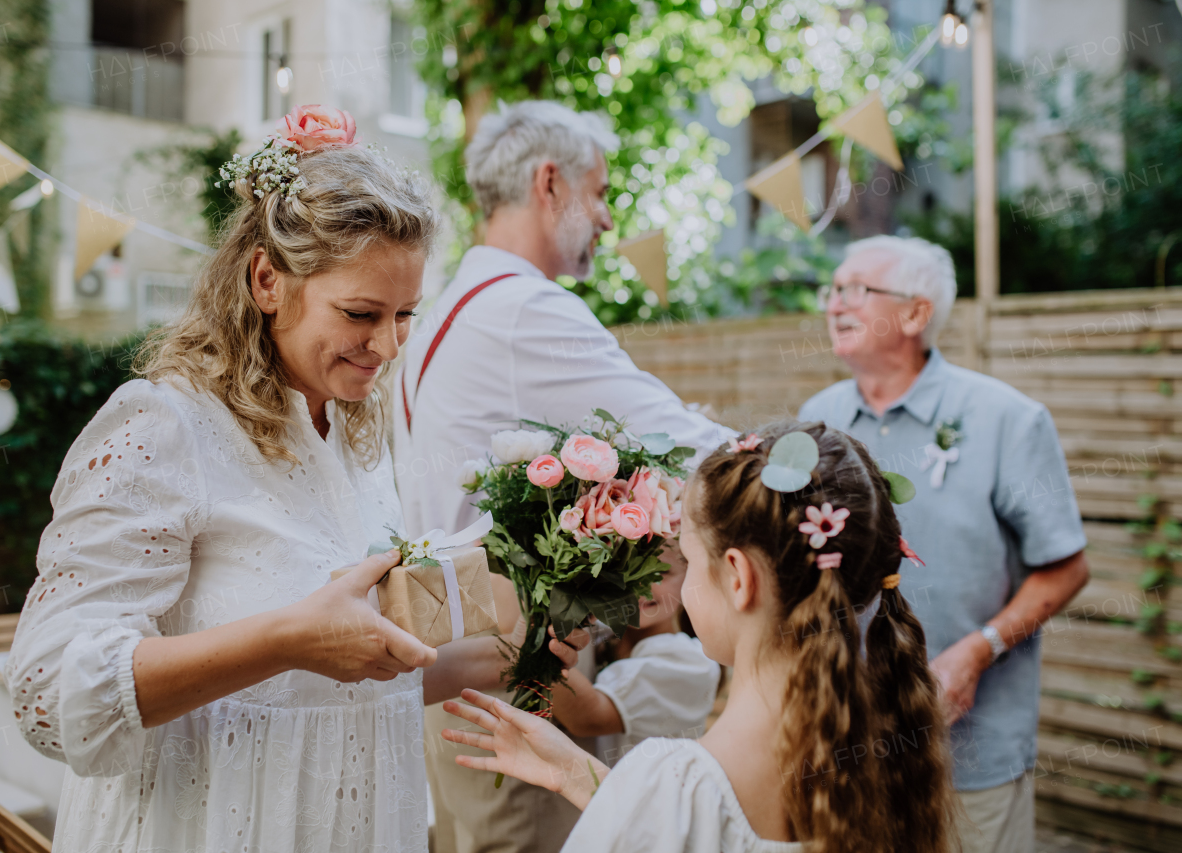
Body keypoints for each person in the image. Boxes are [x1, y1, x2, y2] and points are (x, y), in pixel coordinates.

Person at [5, 108, 588, 852]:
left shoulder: (352, 438)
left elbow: (338, 682)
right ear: (267, 280)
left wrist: (517, 648)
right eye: (360, 312)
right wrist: (285, 638)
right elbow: (48, 692)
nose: (386, 345)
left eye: (405, 314)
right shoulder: (161, 427)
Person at [394, 100, 735, 853]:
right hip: (520, 682)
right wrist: (814, 475)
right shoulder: (524, 309)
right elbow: (689, 445)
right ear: (549, 183)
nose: (609, 221)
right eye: (601, 192)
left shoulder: (443, 308)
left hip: (448, 668)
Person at [440, 422, 959, 853]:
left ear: (738, 577)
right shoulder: (884, 755)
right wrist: (578, 774)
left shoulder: (673, 781)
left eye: (688, 558)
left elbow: (678, 818)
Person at [798, 235, 1090, 853]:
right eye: (833, 290)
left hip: (972, 750)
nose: (834, 305)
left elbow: (1067, 569)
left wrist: (978, 651)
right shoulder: (816, 422)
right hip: (844, 739)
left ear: (914, 313)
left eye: (856, 290)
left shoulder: (1008, 418)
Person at [550, 563, 721, 769]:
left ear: (690, 576)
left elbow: (587, 717)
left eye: (661, 572)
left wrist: (537, 638)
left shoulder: (692, 662)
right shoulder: (600, 633)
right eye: (623, 568)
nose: (642, 585)